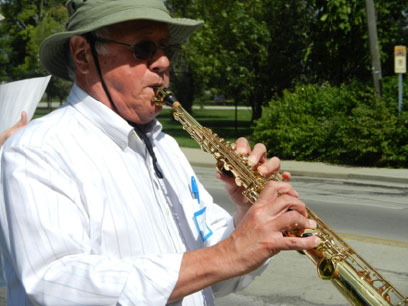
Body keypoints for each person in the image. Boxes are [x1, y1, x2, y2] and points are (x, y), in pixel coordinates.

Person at [0, 0, 320, 305]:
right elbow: (55, 283)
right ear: (83, 55)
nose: (163, 62)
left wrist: (248, 219)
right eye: (143, 48)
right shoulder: (36, 150)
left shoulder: (165, 146)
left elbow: (215, 275)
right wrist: (231, 252)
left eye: (167, 49)